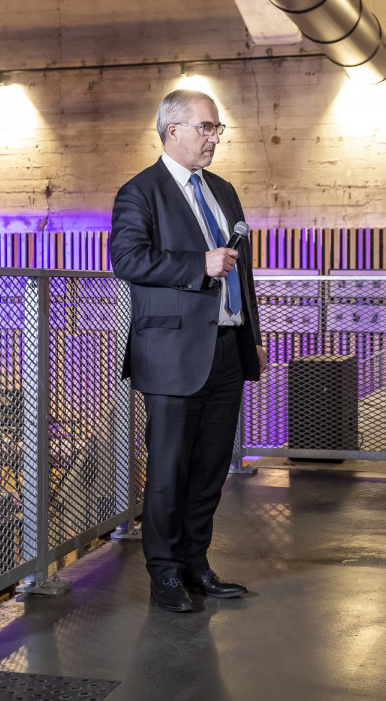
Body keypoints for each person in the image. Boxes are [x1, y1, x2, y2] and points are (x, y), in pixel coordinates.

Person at [110, 89, 269, 613]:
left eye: (217, 129)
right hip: (172, 355)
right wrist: (196, 265)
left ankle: (197, 563)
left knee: (210, 470)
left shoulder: (222, 190)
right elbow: (129, 260)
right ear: (172, 130)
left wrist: (254, 334)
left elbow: (240, 268)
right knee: (169, 471)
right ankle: (165, 575)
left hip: (226, 346)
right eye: (206, 127)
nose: (213, 138)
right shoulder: (139, 192)